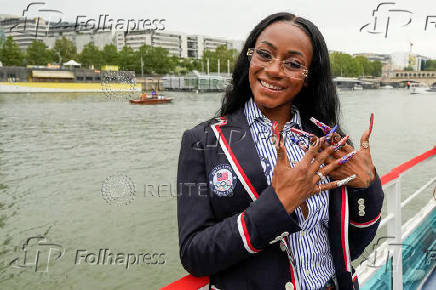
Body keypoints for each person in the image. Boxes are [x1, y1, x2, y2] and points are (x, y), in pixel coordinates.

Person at [177, 12, 384, 290]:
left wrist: (365, 187)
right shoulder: (203, 141)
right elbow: (194, 254)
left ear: (308, 77)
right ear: (249, 58)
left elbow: (351, 245)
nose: (274, 69)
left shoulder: (326, 139)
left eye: (293, 63)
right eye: (264, 54)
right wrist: (277, 205)